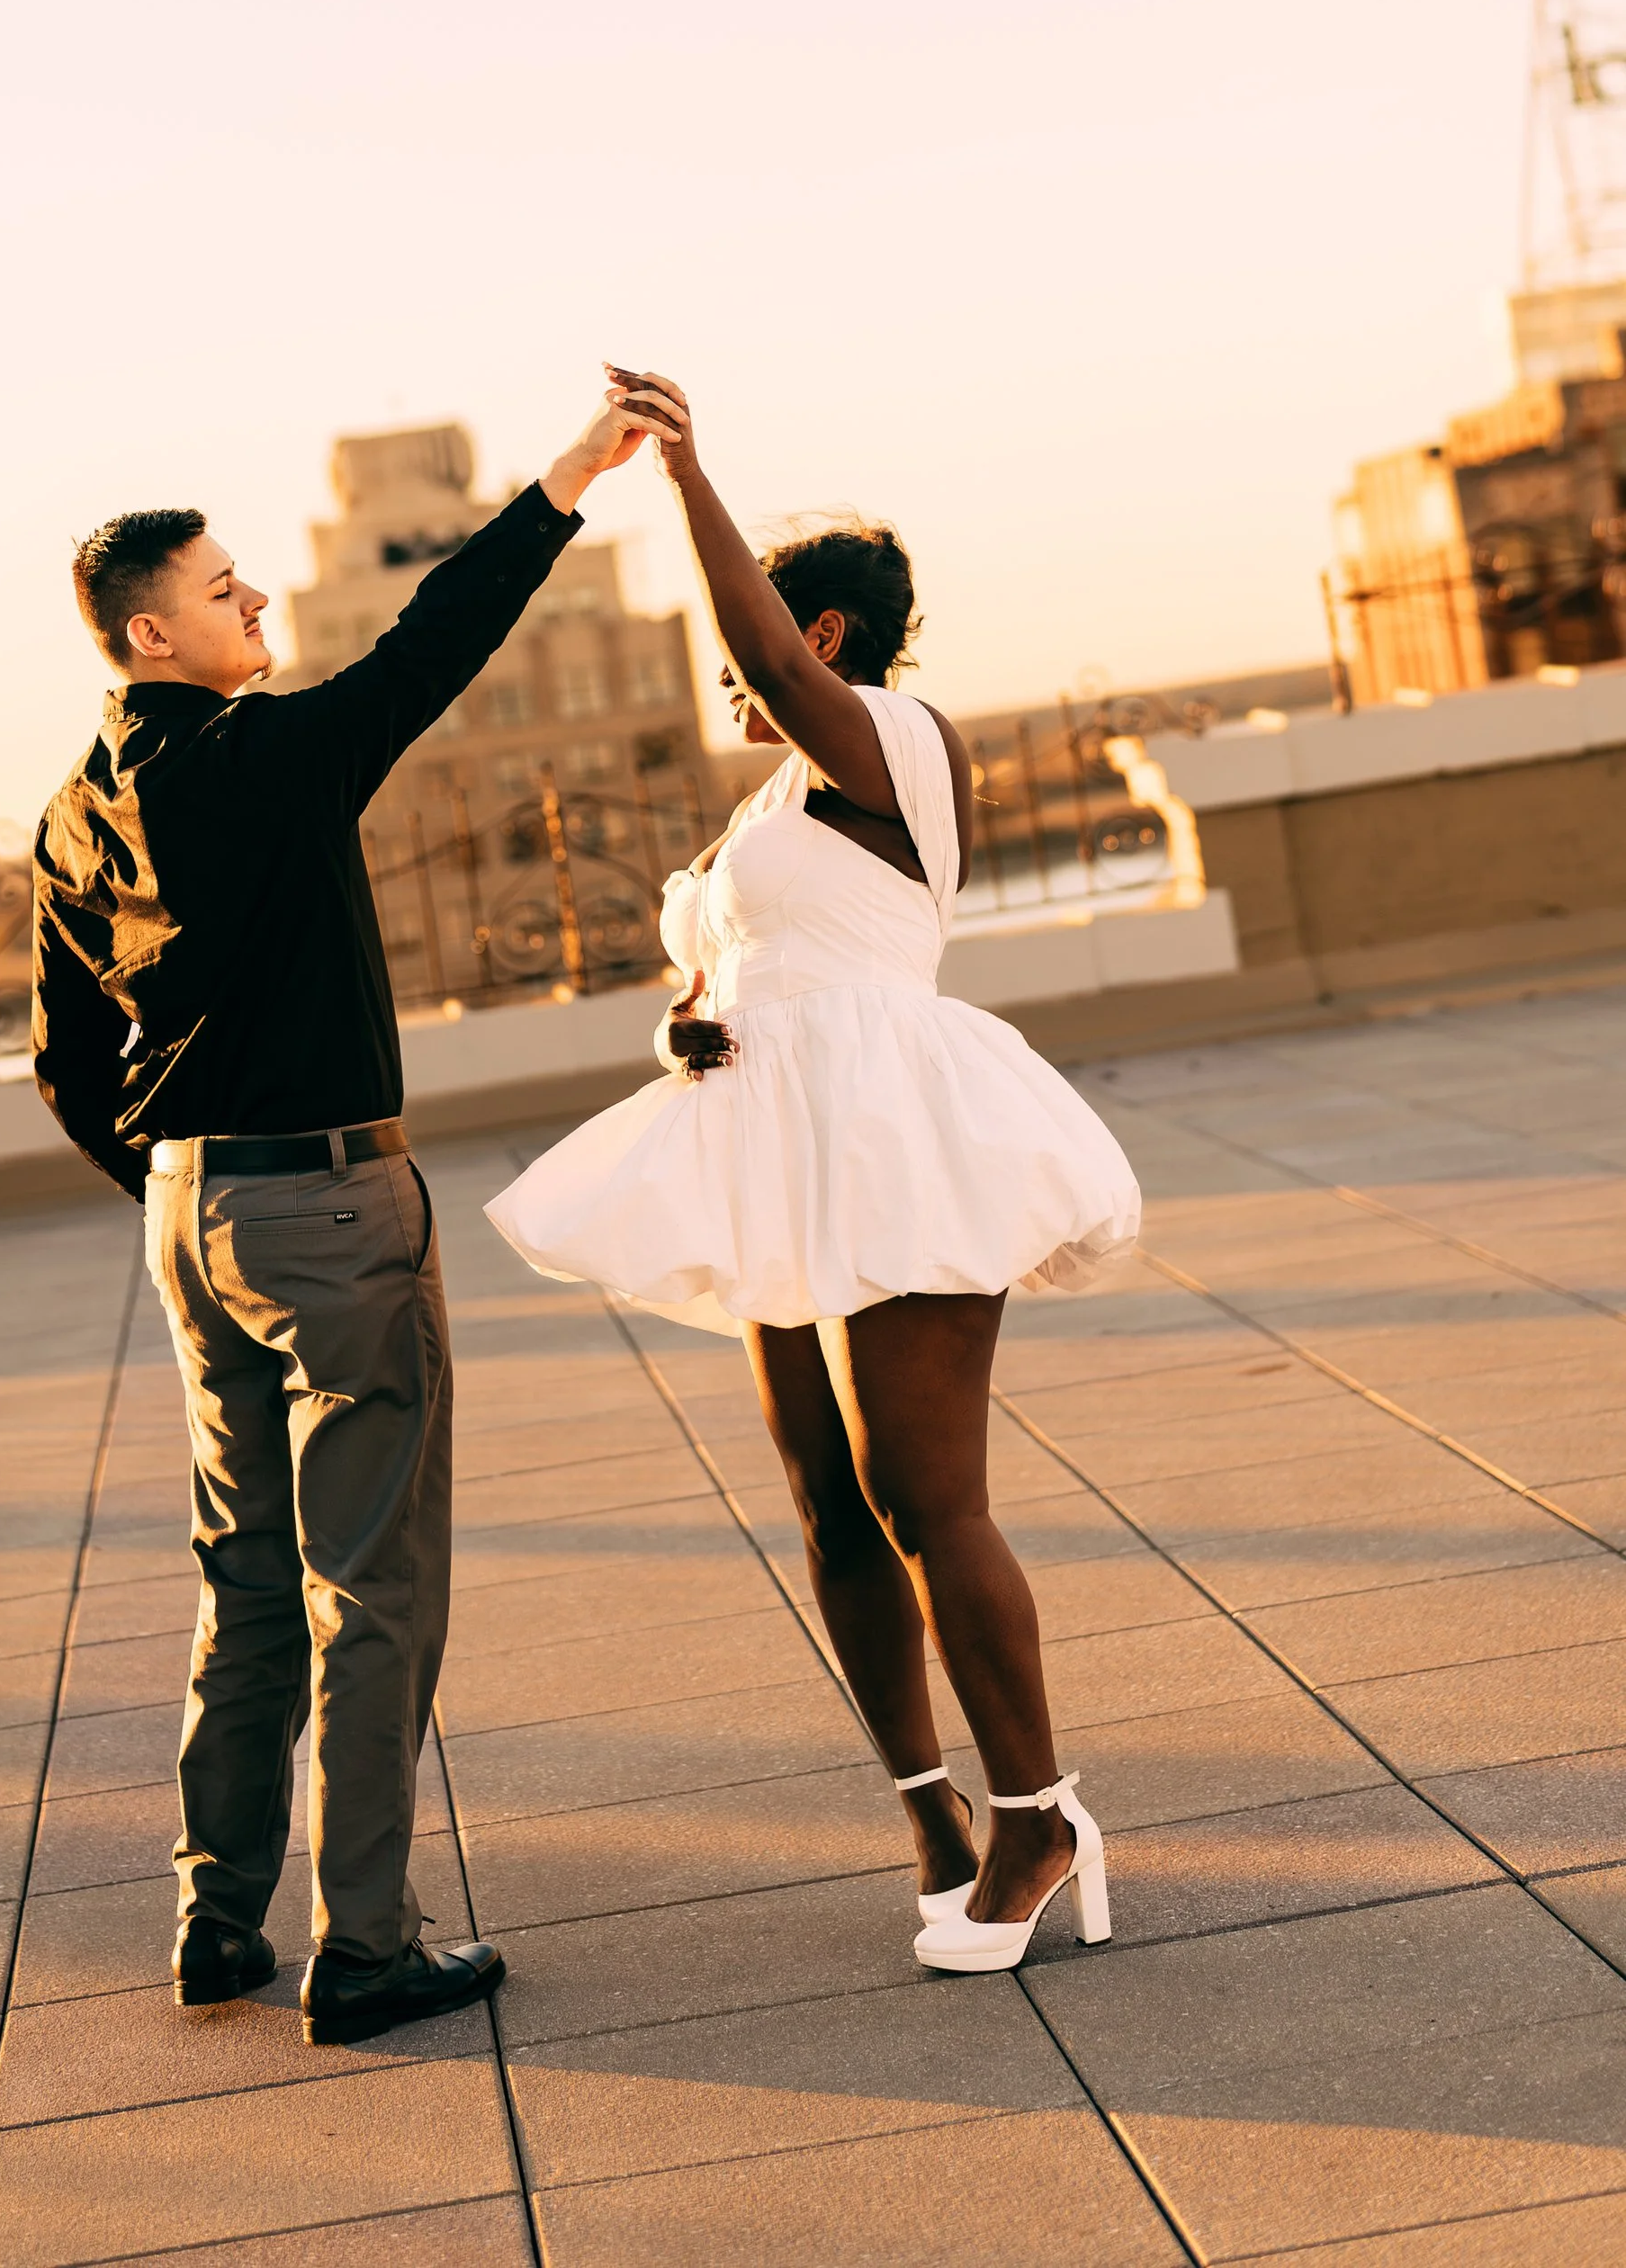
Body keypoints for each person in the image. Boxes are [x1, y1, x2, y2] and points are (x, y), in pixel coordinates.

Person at [486, 367, 1142, 1973]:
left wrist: (686, 476)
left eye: (767, 636)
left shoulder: (896, 746)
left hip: (898, 1142)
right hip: (777, 1148)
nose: (739, 667)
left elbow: (760, 649)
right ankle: (930, 1809)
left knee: (928, 1495)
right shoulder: (771, 802)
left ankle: (1041, 1815)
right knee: (829, 1502)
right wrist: (695, 1030)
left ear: (824, 639)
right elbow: (745, 966)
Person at [31, 390, 644, 2043]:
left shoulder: (76, 807)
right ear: (152, 628)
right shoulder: (275, 759)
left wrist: (187, 1185)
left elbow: (62, 1060)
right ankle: (364, 1944)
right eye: (228, 592)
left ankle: (216, 1919)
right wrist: (566, 483)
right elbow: (433, 641)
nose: (259, 607)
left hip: (191, 1217)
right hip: (325, 1206)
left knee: (240, 1577)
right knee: (370, 1585)